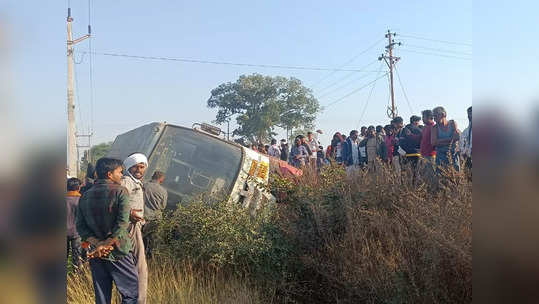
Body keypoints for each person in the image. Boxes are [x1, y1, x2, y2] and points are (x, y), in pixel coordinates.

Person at [76, 157, 138, 304]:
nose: (122, 175)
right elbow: (122, 223)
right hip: (118, 250)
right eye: (120, 172)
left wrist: (98, 244)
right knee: (131, 294)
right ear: (110, 174)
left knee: (102, 298)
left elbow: (81, 227)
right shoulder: (121, 191)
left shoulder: (85, 196)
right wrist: (108, 243)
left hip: (96, 253)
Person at [122, 153, 149, 304]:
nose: (139, 169)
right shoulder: (127, 181)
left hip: (135, 226)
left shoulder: (136, 182)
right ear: (128, 167)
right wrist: (130, 213)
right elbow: (118, 201)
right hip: (130, 227)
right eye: (135, 167)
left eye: (142, 166)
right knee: (140, 267)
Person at [143, 171, 168, 257]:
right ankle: (149, 258)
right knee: (151, 241)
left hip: (142, 216)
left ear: (152, 176)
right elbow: (163, 206)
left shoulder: (143, 185)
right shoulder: (163, 191)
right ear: (161, 179)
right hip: (155, 219)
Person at [431, 106, 460, 171]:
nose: (434, 119)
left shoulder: (452, 123)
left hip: (453, 156)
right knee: (441, 177)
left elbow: (457, 137)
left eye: (435, 116)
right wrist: (450, 139)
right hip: (441, 157)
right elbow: (433, 142)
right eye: (433, 117)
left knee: (455, 177)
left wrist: (440, 141)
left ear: (443, 114)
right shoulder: (434, 128)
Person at [67, 177, 83, 268]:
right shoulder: (81, 200)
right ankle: (77, 278)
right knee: (77, 257)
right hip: (77, 233)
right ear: (78, 187)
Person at [460, 106, 472, 171]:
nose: (469, 116)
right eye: (469, 114)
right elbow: (462, 142)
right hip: (468, 157)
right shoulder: (466, 131)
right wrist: (463, 152)